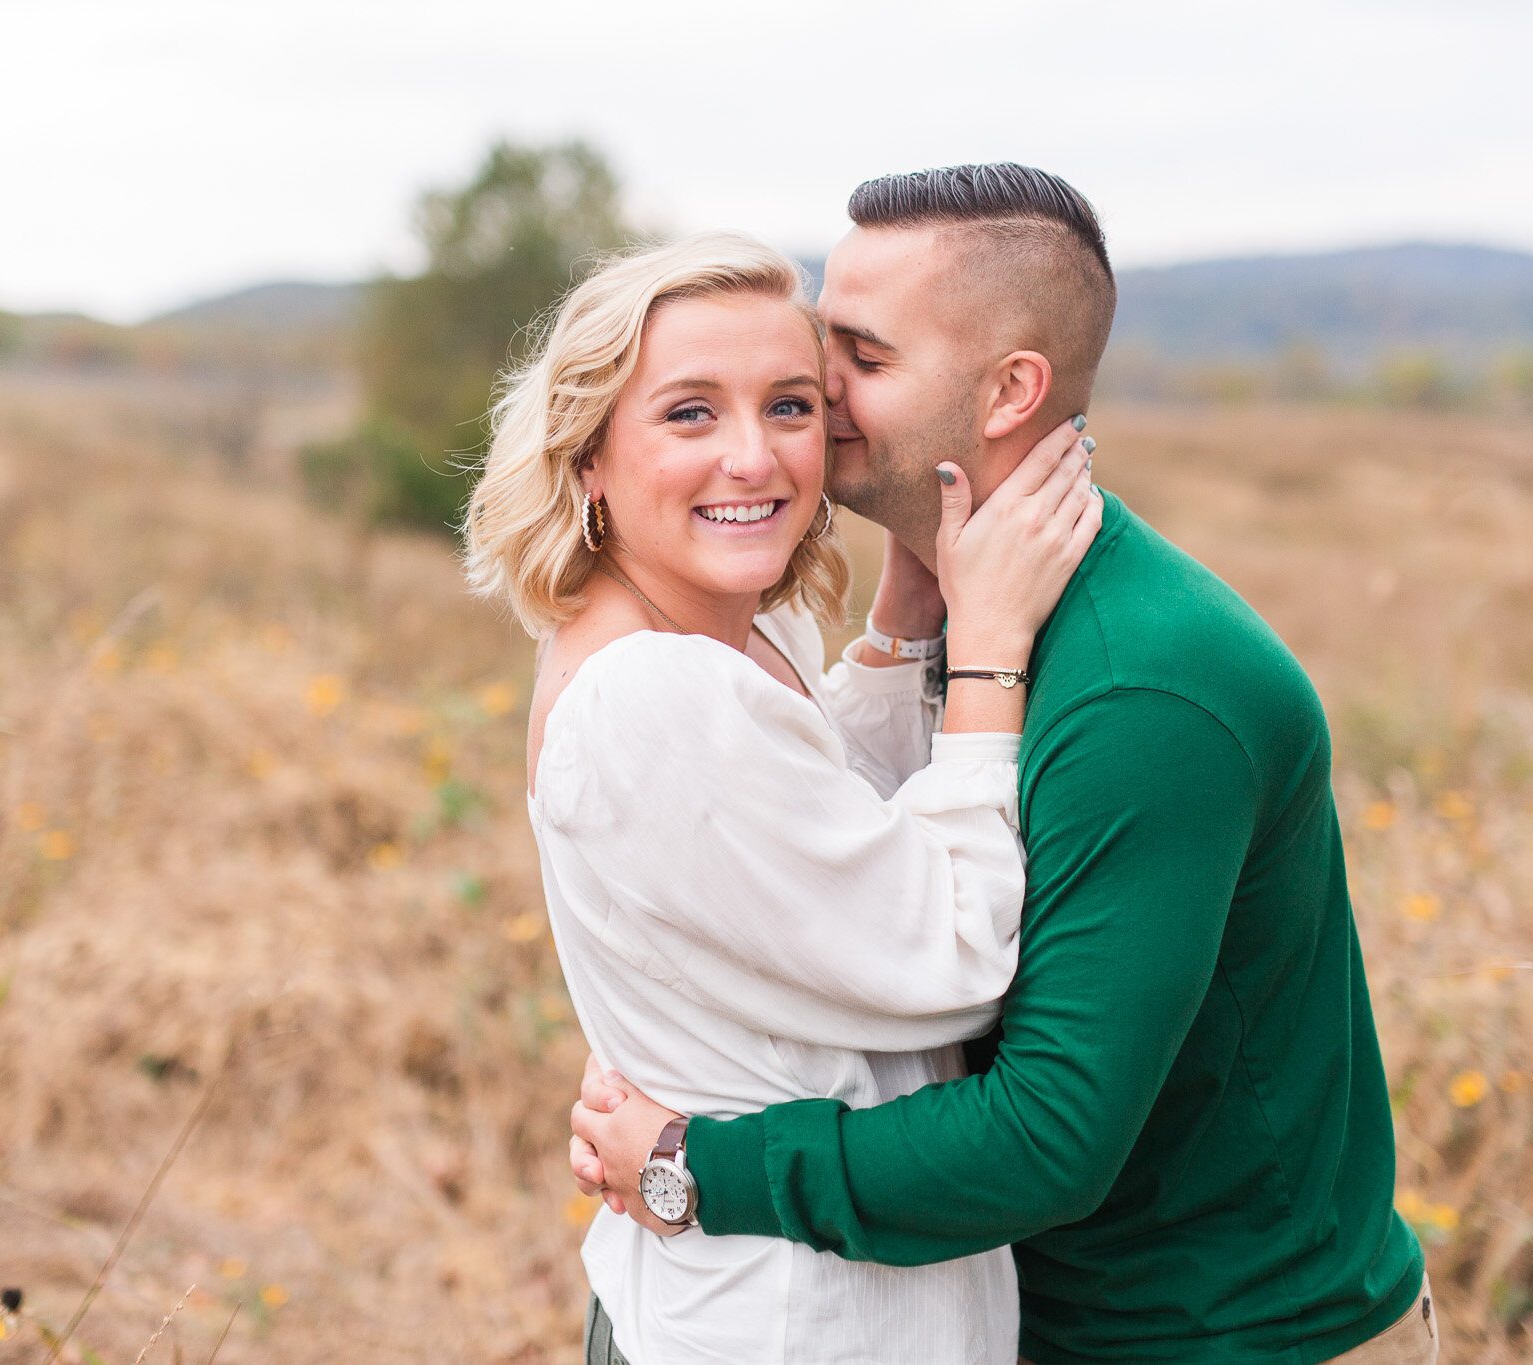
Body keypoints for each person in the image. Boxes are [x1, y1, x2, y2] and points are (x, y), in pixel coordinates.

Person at [571, 166, 1438, 1364]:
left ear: (1007, 392)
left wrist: (694, 1164)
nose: (816, 390)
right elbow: (822, 868)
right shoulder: (957, 617)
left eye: (860, 358)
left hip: (1215, 1337)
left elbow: (1043, 1137)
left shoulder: (1146, 686)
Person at [461, 232, 1102, 1364]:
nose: (752, 458)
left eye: (791, 406)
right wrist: (990, 649)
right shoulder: (650, 695)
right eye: (689, 414)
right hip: (791, 1324)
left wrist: (902, 623)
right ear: (588, 457)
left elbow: (816, 813)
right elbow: (947, 955)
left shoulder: (731, 634)